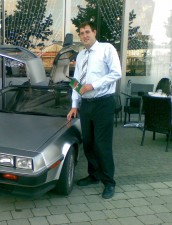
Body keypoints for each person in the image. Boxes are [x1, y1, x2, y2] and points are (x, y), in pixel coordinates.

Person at [67, 21, 122, 199]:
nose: (84, 36)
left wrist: (93, 85)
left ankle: (109, 182)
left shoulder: (107, 49)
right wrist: (74, 105)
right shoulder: (81, 55)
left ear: (94, 32)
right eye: (81, 33)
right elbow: (75, 81)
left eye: (87, 32)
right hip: (86, 105)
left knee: (102, 145)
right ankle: (94, 176)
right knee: (89, 143)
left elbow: (116, 73)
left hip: (103, 103)